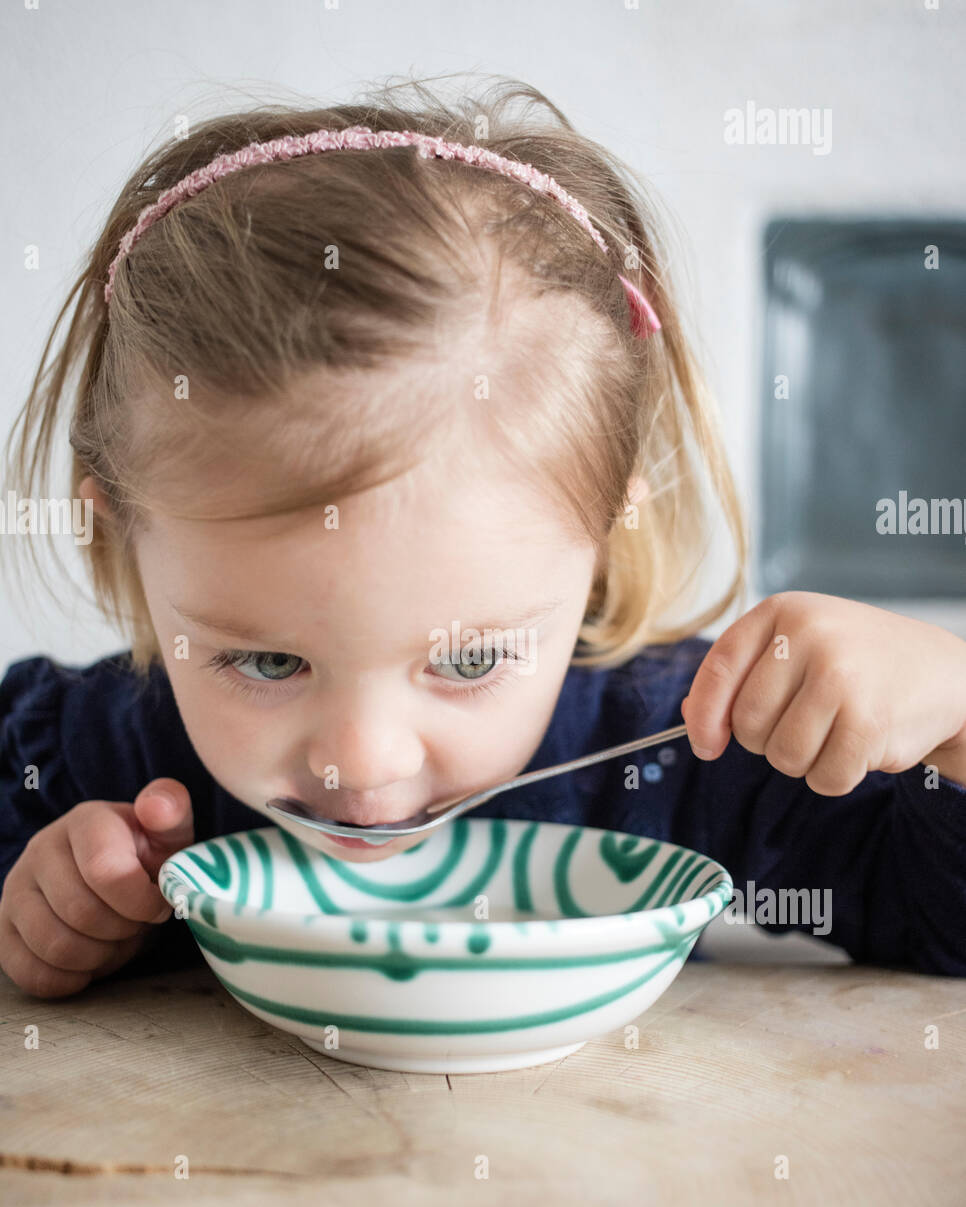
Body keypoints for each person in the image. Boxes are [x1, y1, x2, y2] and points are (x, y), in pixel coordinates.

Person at [2, 77, 965, 1000]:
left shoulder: (687, 748)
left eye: (467, 660)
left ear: (603, 541)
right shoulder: (93, 761)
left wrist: (956, 721)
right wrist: (39, 904)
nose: (363, 767)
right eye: (264, 659)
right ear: (122, 536)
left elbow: (940, 925)